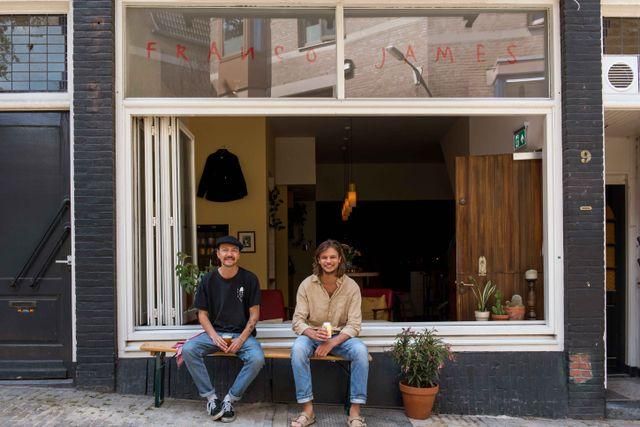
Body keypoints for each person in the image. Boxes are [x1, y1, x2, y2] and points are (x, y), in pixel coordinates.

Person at [181, 235, 264, 422]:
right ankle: (212, 399)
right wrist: (213, 336)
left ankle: (229, 400)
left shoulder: (250, 279)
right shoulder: (208, 279)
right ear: (218, 254)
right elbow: (202, 314)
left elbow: (254, 316)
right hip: (215, 333)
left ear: (239, 255)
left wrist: (241, 339)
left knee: (257, 358)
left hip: (241, 335)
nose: (229, 254)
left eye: (234, 250)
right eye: (225, 250)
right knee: (188, 349)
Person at [290, 240, 369, 427]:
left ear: (340, 259)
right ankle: (307, 411)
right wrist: (311, 333)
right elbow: (297, 321)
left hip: (340, 337)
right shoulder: (306, 285)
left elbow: (354, 325)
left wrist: (332, 342)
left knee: (361, 351)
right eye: (324, 257)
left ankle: (355, 413)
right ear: (318, 259)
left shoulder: (351, 286)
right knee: (298, 350)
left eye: (332, 257)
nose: (328, 261)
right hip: (313, 335)